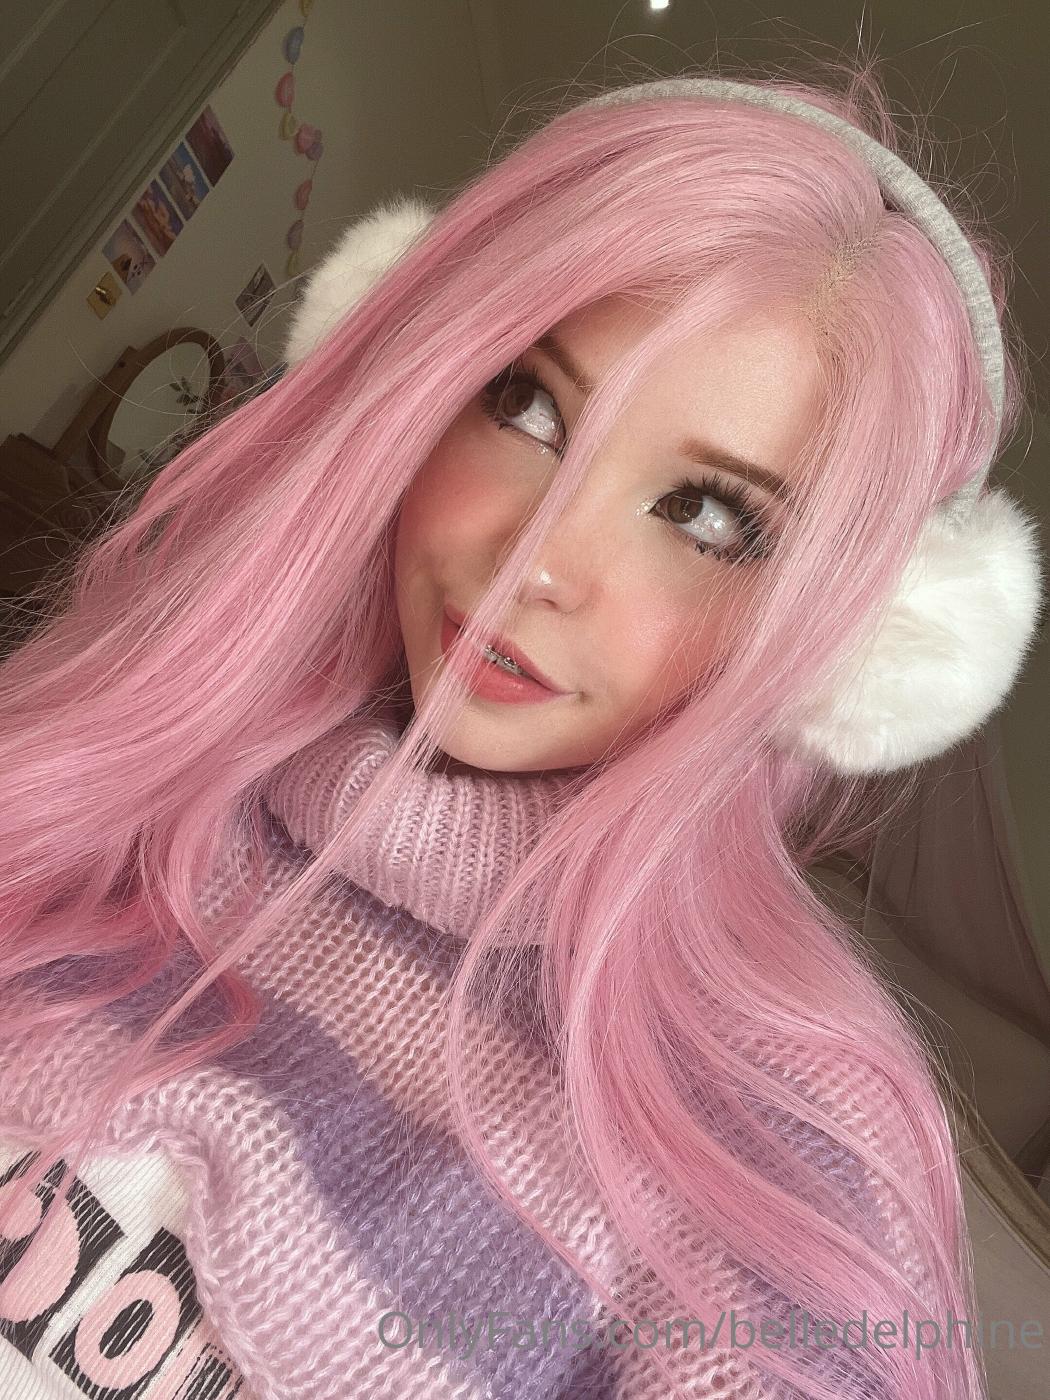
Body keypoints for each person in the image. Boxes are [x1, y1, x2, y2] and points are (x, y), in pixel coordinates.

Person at [0, 60, 1043, 1400]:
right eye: (528, 405)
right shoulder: (108, 758)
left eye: (707, 516)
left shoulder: (779, 1165)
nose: (535, 559)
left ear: (847, 648)